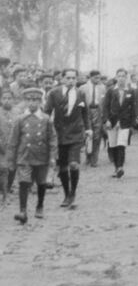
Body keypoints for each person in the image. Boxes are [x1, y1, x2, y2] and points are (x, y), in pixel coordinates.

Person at [8, 88, 57, 224]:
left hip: (41, 157)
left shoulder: (46, 119)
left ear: (40, 101)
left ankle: (40, 205)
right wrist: (11, 160)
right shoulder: (20, 119)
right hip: (24, 157)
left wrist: (53, 157)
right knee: (23, 182)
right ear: (25, 101)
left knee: (41, 183)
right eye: (29, 100)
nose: (32, 103)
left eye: (35, 100)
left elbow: (52, 139)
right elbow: (13, 141)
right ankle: (23, 211)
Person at [44, 68, 92, 208]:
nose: (71, 80)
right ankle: (66, 194)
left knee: (74, 164)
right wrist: (46, 128)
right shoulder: (54, 93)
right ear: (63, 79)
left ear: (76, 79)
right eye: (68, 78)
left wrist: (88, 129)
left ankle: (73, 193)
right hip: (59, 133)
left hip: (76, 133)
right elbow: (47, 112)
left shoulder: (81, 93)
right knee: (63, 167)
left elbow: (85, 113)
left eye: (73, 78)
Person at [102, 68, 138, 179]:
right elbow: (105, 107)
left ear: (126, 78)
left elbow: (133, 108)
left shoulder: (131, 91)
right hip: (112, 122)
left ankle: (120, 167)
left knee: (121, 144)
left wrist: (133, 122)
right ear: (116, 77)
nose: (121, 78)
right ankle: (116, 167)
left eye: (123, 76)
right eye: (119, 76)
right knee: (113, 145)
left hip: (125, 122)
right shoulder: (111, 91)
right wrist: (106, 120)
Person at [81, 70, 107, 167]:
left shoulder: (103, 88)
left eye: (99, 78)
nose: (98, 80)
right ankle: (88, 156)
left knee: (97, 135)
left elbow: (104, 102)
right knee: (88, 134)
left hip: (98, 111)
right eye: (96, 78)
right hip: (86, 111)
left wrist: (103, 115)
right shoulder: (83, 88)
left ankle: (94, 159)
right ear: (90, 77)